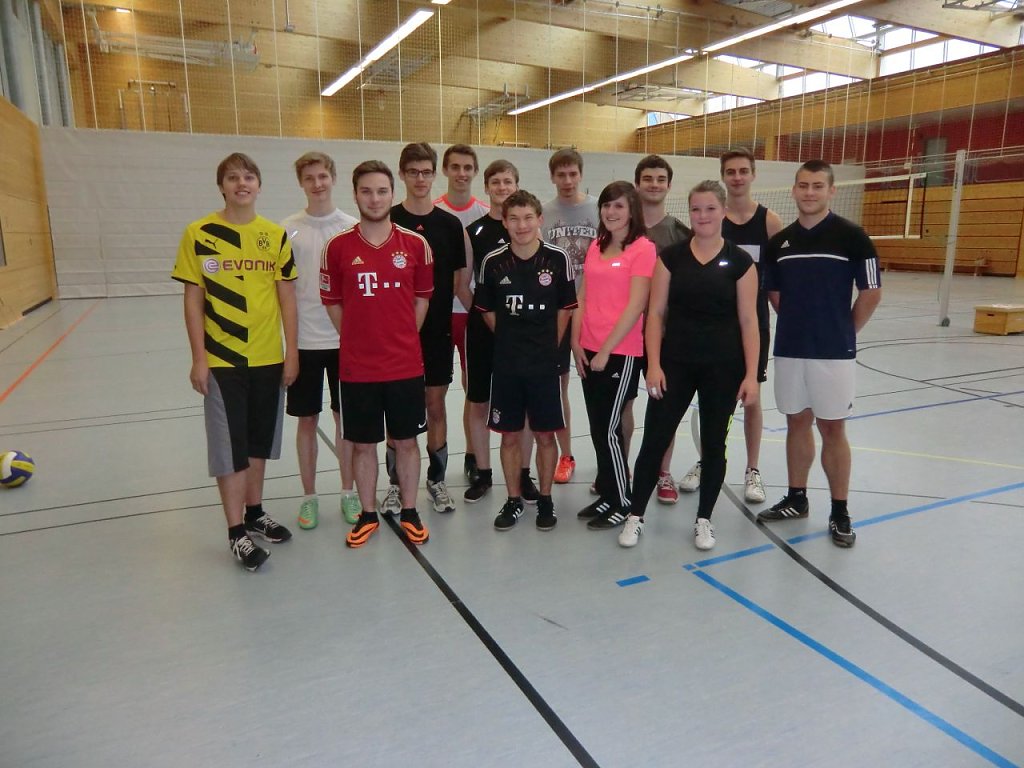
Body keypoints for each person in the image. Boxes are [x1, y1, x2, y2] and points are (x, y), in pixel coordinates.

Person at [172, 152, 297, 571]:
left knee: (259, 442)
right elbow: (193, 300)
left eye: (248, 177)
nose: (241, 183)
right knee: (231, 449)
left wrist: (292, 353)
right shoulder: (199, 233)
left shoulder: (274, 235)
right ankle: (235, 532)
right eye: (232, 178)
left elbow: (286, 298)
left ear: (259, 185)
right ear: (221, 186)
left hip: (268, 358)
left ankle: (255, 512)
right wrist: (199, 358)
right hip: (223, 360)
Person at [620, 180, 759, 551]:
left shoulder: (740, 262)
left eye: (710, 208)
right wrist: (653, 364)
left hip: (723, 368)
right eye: (696, 209)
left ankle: (704, 520)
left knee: (713, 445)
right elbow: (655, 314)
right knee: (654, 440)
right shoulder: (671, 258)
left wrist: (750, 375)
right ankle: (635, 515)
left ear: (723, 211)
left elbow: (749, 321)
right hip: (675, 365)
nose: (703, 216)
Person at [757, 159, 882, 548]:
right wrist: (798, 323)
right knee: (796, 421)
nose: (809, 192)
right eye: (803, 185)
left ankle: (840, 510)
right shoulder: (780, 243)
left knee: (832, 427)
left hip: (833, 353)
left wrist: (844, 331)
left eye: (817, 186)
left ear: (831, 191)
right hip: (790, 349)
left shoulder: (853, 237)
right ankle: (797, 498)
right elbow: (774, 293)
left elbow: (871, 291)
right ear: (794, 190)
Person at [320, 160, 434, 548]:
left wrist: (399, 338)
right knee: (363, 444)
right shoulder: (337, 247)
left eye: (382, 191)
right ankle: (368, 514)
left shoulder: (415, 245)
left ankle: (410, 511)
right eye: (366, 191)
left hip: (404, 365)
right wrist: (359, 338)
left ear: (392, 193)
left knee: (407, 441)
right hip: (357, 369)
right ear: (355, 195)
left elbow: (422, 300)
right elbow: (333, 303)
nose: (374, 198)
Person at [676, 148, 783, 505]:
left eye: (743, 171)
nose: (737, 177)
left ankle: (752, 469)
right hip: (713, 329)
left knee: (752, 398)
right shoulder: (711, 217)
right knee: (708, 401)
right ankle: (707, 460)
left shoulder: (769, 222)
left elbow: (776, 278)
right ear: (723, 176)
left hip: (752, 325)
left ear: (753, 174)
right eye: (731, 171)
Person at [474, 190, 577, 532]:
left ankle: (545, 499)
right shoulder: (492, 262)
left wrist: (549, 346)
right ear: (504, 222)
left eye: (528, 218)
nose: (521, 226)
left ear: (539, 220)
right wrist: (509, 339)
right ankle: (514, 499)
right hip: (507, 366)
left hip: (544, 366)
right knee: (509, 437)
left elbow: (565, 308)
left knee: (545, 436)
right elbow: (487, 310)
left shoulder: (558, 259)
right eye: (514, 219)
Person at [388, 143, 470, 516]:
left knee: (435, 406)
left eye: (426, 172)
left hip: (436, 332)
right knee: (397, 410)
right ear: (402, 175)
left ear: (434, 175)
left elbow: (454, 282)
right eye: (413, 172)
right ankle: (395, 484)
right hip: (395, 336)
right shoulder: (389, 220)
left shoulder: (449, 226)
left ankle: (437, 480)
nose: (420, 179)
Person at [571, 181, 656, 531]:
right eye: (606, 205)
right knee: (596, 427)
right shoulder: (597, 245)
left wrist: (606, 350)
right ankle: (607, 493)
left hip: (620, 352)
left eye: (619, 205)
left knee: (609, 429)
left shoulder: (643, 249)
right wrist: (576, 341)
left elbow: (637, 306)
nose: (610, 211)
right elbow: (583, 295)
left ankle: (624, 501)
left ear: (632, 210)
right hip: (589, 349)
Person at [282, 151, 359, 530]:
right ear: (301, 183)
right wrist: (290, 349)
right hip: (305, 342)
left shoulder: (351, 227)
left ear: (333, 178)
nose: (317, 183)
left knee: (346, 419)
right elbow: (285, 293)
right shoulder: (287, 230)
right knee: (307, 420)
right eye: (309, 178)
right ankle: (309, 496)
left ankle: (348, 492)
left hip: (345, 342)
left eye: (323, 176)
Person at [462, 159, 540, 505]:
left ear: (516, 185)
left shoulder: (529, 229)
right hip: (484, 330)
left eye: (508, 181)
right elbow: (463, 284)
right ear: (487, 187)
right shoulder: (474, 231)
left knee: (524, 404)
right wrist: (488, 317)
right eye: (495, 182)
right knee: (478, 400)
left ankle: (523, 473)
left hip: (524, 334)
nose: (502, 187)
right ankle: (483, 472)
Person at [632, 154, 693, 505]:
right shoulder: (622, 228)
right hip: (625, 335)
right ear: (637, 183)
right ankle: (618, 469)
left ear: (668, 185)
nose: (654, 185)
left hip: (667, 338)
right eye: (648, 178)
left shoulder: (680, 233)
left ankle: (663, 471)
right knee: (622, 407)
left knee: (664, 409)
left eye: (660, 179)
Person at [434, 144, 490, 482]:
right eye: (455, 167)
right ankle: (437, 462)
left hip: (473, 316)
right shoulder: (434, 212)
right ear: (445, 170)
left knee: (475, 389)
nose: (461, 173)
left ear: (475, 172)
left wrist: (478, 312)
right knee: (435, 393)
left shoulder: (484, 214)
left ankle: (472, 455)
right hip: (441, 316)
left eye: (468, 167)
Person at [542, 148, 598, 484]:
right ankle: (566, 455)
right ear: (552, 177)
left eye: (572, 174)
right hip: (558, 312)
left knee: (602, 390)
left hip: (596, 310)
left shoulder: (598, 209)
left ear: (581, 174)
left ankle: (610, 459)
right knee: (558, 387)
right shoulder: (544, 213)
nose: (567, 180)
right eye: (561, 174)